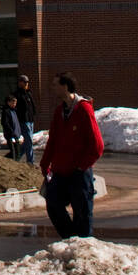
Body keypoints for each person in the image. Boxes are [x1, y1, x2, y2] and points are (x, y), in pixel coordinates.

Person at [40, 71, 104, 239]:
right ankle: (70, 240)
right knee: (53, 204)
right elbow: (53, 140)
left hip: (79, 173)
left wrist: (81, 166)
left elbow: (97, 146)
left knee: (82, 213)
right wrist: (45, 164)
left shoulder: (83, 109)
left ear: (65, 86)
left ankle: (83, 247)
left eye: (55, 85)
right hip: (60, 172)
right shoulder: (59, 111)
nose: (52, 88)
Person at [15, 74, 37, 165]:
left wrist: (33, 115)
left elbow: (32, 106)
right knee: (29, 140)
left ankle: (16, 157)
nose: (26, 84)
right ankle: (30, 161)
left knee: (28, 141)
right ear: (20, 83)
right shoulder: (17, 95)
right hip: (23, 120)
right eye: (24, 82)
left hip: (30, 120)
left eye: (27, 82)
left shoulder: (28, 93)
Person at [1, 94, 23, 160]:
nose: (14, 104)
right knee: (13, 152)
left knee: (18, 152)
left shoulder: (14, 111)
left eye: (15, 102)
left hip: (16, 135)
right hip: (10, 135)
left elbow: (16, 123)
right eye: (13, 102)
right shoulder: (6, 111)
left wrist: (19, 133)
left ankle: (14, 163)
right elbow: (5, 123)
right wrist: (11, 132)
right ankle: (6, 161)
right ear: (8, 102)